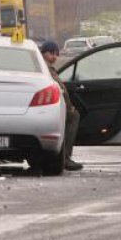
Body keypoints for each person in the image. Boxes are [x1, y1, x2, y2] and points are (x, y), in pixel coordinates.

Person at [39, 40, 83, 171]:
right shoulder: (45, 69)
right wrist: (69, 108)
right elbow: (59, 90)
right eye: (51, 53)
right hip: (52, 107)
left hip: (56, 107)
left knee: (74, 116)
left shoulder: (48, 68)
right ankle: (65, 158)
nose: (54, 57)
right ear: (43, 53)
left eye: (56, 54)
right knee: (74, 117)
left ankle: (64, 157)